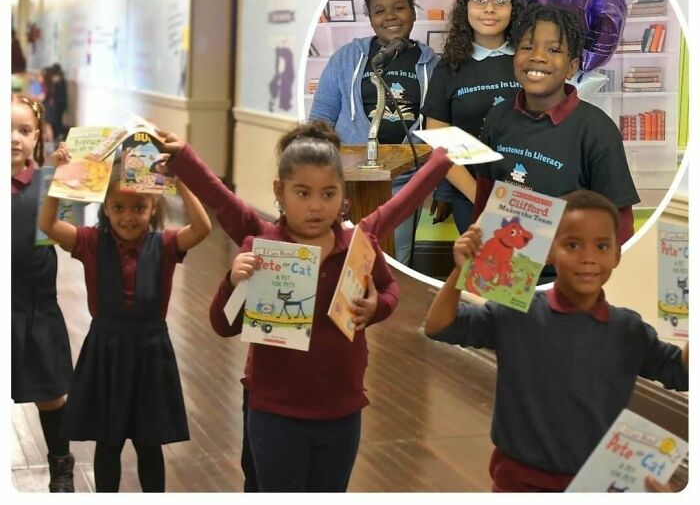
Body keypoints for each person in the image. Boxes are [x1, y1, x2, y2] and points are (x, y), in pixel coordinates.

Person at [158, 120, 452, 493]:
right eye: (303, 193)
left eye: (329, 194)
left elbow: (390, 280)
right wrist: (234, 280)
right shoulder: (262, 243)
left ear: (343, 193)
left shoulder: (358, 244)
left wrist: (377, 306)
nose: (316, 207)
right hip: (275, 409)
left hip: (342, 409)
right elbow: (223, 320)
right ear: (279, 191)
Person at [424, 189, 689, 493]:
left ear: (616, 253)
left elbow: (681, 373)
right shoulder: (516, 313)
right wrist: (461, 269)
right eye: (573, 244)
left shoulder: (628, 330)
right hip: (518, 484)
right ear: (548, 251)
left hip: (598, 485)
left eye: (602, 246)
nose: (588, 258)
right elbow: (440, 326)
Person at [38, 154, 212, 493]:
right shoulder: (89, 242)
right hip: (106, 351)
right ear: (106, 209)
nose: (128, 217)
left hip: (151, 353)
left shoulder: (164, 244)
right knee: (108, 441)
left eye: (138, 208)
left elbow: (203, 227)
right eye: (118, 207)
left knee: (150, 442)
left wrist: (181, 181)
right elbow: (48, 224)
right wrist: (60, 178)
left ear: (153, 208)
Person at [473, 4, 639, 271]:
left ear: (572, 66)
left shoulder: (597, 130)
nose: (538, 57)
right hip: (501, 270)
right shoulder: (497, 117)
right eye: (527, 47)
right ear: (515, 57)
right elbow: (485, 194)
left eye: (553, 49)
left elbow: (620, 225)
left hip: (565, 276)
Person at [309, 0, 440, 264]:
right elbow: (321, 120)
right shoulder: (347, 58)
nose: (390, 16)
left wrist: (439, 185)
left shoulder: (432, 64)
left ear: (413, 11)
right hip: (352, 178)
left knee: (397, 259)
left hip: (406, 180)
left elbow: (440, 127)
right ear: (369, 17)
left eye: (399, 7)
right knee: (347, 257)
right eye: (379, 11)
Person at [421, 0, 524, 232]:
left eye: (501, 1)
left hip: (529, 193)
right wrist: (479, 196)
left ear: (514, 9)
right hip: (472, 195)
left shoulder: (529, 59)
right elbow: (440, 146)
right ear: (465, 8)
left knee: (530, 270)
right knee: (485, 271)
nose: (490, 8)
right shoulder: (448, 69)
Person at [11, 94, 75, 492]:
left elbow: (68, 239)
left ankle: (61, 465)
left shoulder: (48, 184)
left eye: (24, 130)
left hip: (34, 307)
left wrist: (65, 181)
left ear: (38, 137)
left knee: (50, 394)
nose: (15, 138)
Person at [44, 64, 68, 142]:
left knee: (56, 121)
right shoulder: (62, 80)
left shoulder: (57, 81)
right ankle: (58, 135)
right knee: (58, 120)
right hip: (61, 104)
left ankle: (58, 136)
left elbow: (54, 95)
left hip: (58, 105)